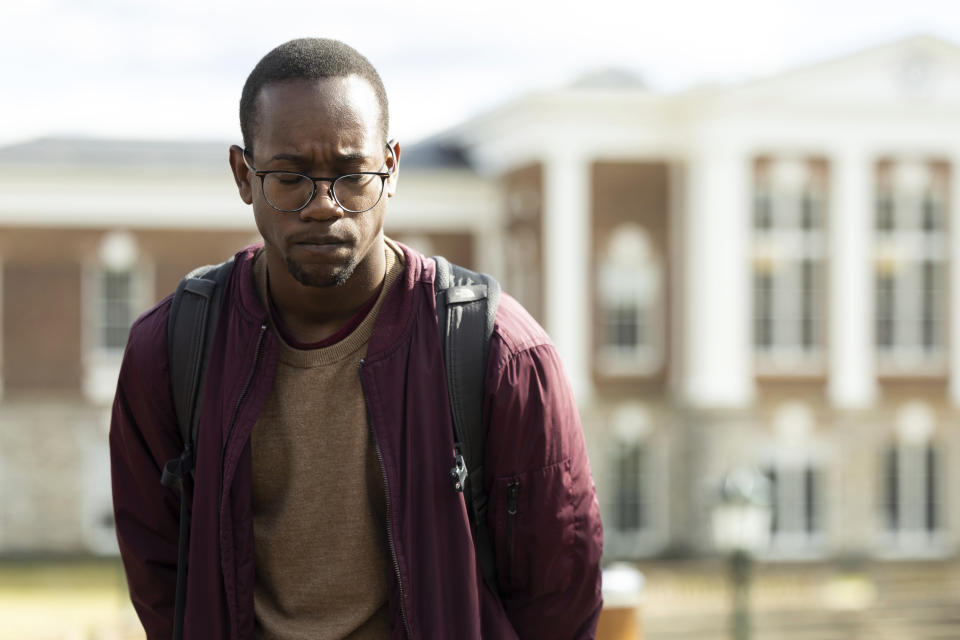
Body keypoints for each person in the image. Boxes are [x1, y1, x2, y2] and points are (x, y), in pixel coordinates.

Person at [110, 38, 603, 640]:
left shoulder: (502, 356)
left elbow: (560, 597)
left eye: (352, 175)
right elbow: (161, 579)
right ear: (243, 175)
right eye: (289, 177)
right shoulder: (171, 350)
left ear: (391, 169)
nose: (324, 206)